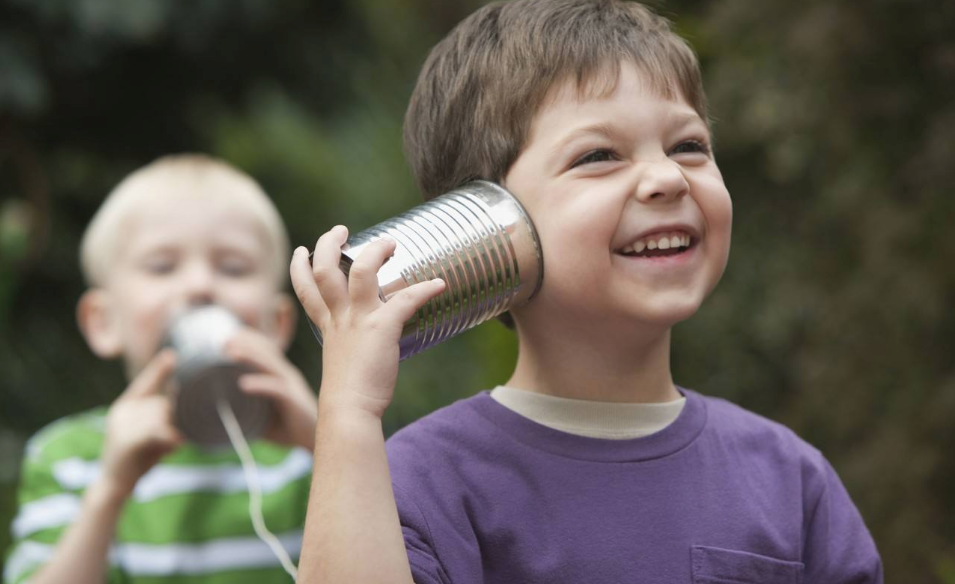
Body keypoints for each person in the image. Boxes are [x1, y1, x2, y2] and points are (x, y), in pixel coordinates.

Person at [290, 0, 884, 582]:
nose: (668, 178)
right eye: (599, 156)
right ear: (480, 220)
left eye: (689, 146)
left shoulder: (790, 481)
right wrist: (350, 412)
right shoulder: (423, 484)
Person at [4, 154, 317, 584]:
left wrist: (324, 440)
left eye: (233, 268)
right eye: (162, 266)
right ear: (103, 321)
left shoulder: (304, 460)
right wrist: (110, 490)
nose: (200, 286)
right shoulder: (68, 459)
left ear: (276, 324)